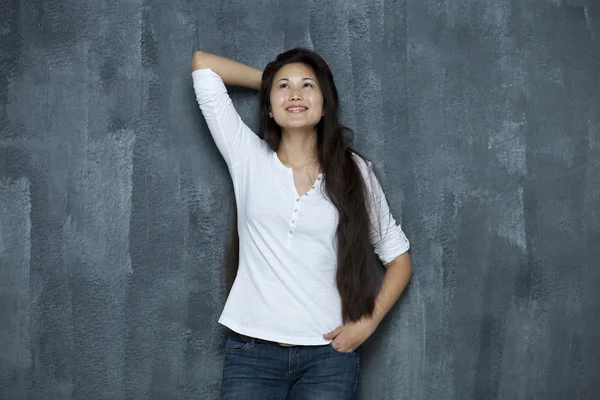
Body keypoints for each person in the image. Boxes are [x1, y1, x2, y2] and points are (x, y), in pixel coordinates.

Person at [190, 48, 412, 400]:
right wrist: (268, 83)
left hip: (327, 358)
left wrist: (369, 323)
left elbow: (398, 257)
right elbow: (203, 65)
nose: (295, 95)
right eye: (284, 87)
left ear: (325, 105)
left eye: (308, 86)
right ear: (269, 107)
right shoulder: (247, 157)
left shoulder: (356, 173)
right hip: (252, 353)